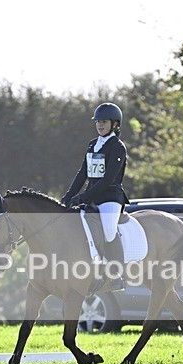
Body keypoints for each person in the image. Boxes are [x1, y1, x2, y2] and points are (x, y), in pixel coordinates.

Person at [61, 102, 130, 292]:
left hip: (110, 197)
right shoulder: (93, 144)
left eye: (104, 121)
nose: (100, 125)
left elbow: (108, 180)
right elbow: (82, 173)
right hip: (91, 197)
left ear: (115, 124)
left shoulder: (117, 147)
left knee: (108, 230)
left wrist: (84, 196)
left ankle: (117, 273)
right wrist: (68, 196)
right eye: (98, 121)